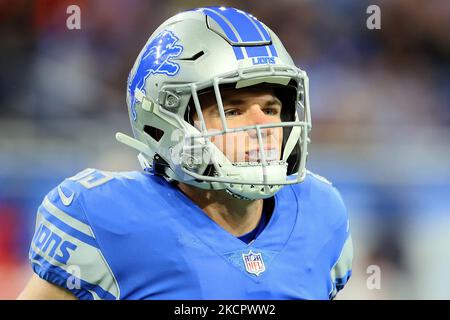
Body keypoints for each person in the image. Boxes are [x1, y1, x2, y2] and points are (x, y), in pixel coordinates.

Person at [18, 6, 352, 300]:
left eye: (271, 107)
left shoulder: (320, 214)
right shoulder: (109, 221)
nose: (261, 127)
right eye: (233, 111)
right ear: (167, 124)